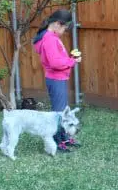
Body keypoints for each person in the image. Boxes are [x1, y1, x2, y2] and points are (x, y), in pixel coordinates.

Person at [32, 9, 82, 152]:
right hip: (56, 79)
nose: (65, 31)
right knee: (59, 114)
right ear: (57, 24)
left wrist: (69, 59)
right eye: (64, 28)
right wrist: (72, 62)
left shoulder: (48, 36)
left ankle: (63, 138)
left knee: (61, 112)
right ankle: (57, 141)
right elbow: (55, 63)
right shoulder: (49, 39)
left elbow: (57, 59)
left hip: (57, 79)